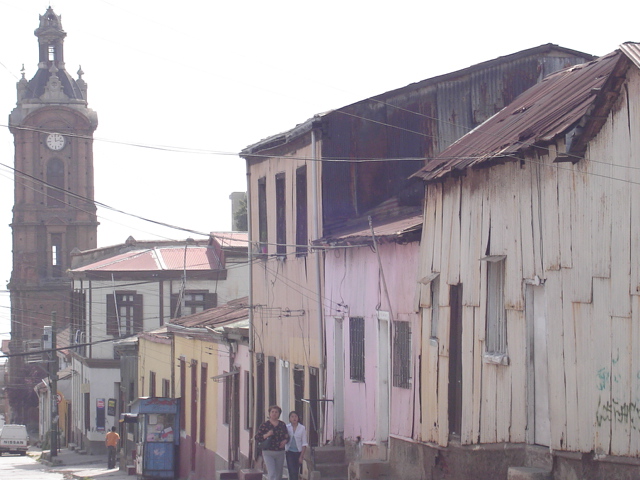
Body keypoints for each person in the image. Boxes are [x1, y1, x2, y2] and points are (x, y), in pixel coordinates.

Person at [255, 405, 289, 480]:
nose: (274, 413)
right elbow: (257, 437)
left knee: (279, 474)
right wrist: (267, 435)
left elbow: (287, 436)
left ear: (279, 414)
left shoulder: (282, 424)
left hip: (280, 452)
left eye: (276, 412)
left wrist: (285, 441)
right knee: (272, 473)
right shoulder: (265, 425)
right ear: (269, 414)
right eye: (272, 412)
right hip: (268, 452)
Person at [285, 411, 308, 480]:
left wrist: (301, 456)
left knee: (296, 470)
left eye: (295, 416)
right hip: (289, 452)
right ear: (289, 418)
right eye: (292, 416)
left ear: (298, 418)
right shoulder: (287, 427)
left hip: (298, 452)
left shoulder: (302, 428)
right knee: (291, 470)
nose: (294, 418)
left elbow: (304, 443)